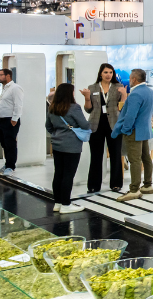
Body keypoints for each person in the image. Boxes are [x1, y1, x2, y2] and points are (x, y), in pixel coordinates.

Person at [111, 70, 153, 201]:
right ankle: (147, 185)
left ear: (134, 79)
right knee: (146, 158)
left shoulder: (135, 94)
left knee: (135, 160)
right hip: (145, 130)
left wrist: (125, 130)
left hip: (134, 131)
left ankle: (134, 190)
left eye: (130, 78)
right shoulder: (150, 92)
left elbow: (130, 116)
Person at [81, 64, 127, 193]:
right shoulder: (92, 87)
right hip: (96, 124)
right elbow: (88, 109)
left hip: (114, 125)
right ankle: (94, 185)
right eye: (106, 72)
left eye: (111, 72)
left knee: (115, 154)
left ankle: (116, 184)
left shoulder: (118, 87)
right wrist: (86, 97)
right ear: (100, 73)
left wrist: (124, 95)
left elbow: (123, 108)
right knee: (96, 156)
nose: (108, 75)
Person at [45, 84, 89, 214]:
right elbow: (85, 125)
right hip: (71, 145)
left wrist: (58, 134)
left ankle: (58, 203)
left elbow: (48, 126)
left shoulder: (52, 107)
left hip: (57, 145)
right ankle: (66, 204)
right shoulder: (74, 107)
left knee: (58, 173)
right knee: (68, 175)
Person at [0, 69, 23, 175]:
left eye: (0, 75)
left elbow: (18, 104)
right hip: (1, 120)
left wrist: (14, 119)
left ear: (8, 76)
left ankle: (11, 166)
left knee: (10, 144)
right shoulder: (5, 88)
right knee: (4, 144)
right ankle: (7, 164)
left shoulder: (15, 88)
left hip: (10, 120)